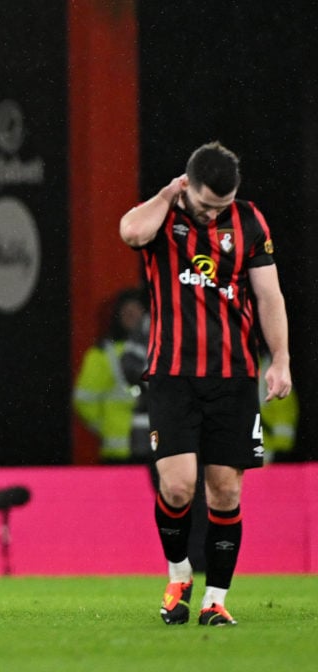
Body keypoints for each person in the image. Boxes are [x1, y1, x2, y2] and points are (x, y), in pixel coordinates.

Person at [119, 141, 293, 627]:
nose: (215, 214)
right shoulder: (162, 215)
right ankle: (179, 576)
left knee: (224, 493)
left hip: (234, 378)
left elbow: (269, 295)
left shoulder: (250, 221)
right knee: (177, 487)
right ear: (187, 186)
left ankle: (215, 600)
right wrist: (166, 195)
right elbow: (130, 232)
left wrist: (280, 359)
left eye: (223, 205)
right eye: (207, 204)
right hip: (172, 375)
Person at [73, 288, 149, 464]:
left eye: (137, 310)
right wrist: (107, 427)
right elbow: (84, 401)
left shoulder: (165, 349)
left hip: (160, 448)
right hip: (120, 451)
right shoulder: (101, 354)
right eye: (126, 311)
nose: (132, 315)